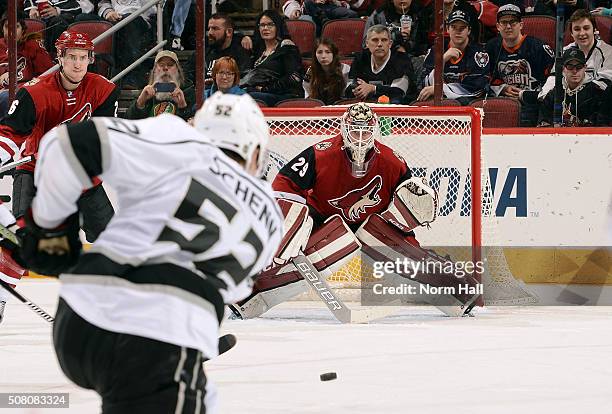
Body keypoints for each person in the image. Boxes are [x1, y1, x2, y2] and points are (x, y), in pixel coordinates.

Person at [13, 92, 282, 412]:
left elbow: (66, 145)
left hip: (78, 322)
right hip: (158, 336)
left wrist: (50, 232)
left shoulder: (176, 137)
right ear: (254, 152)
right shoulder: (270, 216)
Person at [232, 102, 480, 320]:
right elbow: (284, 183)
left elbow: (406, 209)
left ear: (374, 131)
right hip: (322, 219)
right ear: (344, 128)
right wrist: (291, 219)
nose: (360, 137)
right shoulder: (321, 153)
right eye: (355, 130)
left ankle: (457, 289)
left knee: (399, 249)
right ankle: (249, 294)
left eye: (365, 131)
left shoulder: (393, 162)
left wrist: (411, 220)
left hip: (370, 222)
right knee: (308, 247)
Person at [0, 31, 118, 323]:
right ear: (60, 58)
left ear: (90, 59)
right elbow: (9, 134)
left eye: (83, 58)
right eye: (72, 57)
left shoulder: (103, 89)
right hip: (36, 175)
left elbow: (105, 138)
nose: (78, 65)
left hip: (82, 178)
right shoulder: (35, 91)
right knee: (22, 243)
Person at [486, 3, 554, 126]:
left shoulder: (539, 48)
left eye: (513, 22)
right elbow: (484, 80)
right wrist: (502, 88)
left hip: (533, 105)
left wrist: (530, 95)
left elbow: (552, 81)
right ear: (497, 26)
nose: (508, 26)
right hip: (504, 106)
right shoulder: (491, 48)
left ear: (521, 25)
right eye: (504, 22)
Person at [418, 9, 491, 104]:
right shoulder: (436, 50)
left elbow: (478, 87)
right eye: (454, 27)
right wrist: (442, 60)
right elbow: (425, 83)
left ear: (469, 30)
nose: (458, 32)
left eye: (462, 28)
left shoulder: (479, 54)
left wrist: (441, 89)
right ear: (447, 29)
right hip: (438, 101)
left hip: (467, 104)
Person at [539, 9, 612, 99]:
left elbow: (603, 86)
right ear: (572, 34)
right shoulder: (564, 52)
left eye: (586, 28)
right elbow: (554, 78)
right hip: (565, 101)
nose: (582, 33)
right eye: (577, 29)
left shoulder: (608, 52)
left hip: (595, 103)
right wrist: (544, 96)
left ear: (594, 30)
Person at [241, 10, 304, 107]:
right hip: (260, 93)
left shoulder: (287, 47)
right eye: (262, 25)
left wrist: (265, 89)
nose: (265, 28)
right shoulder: (258, 50)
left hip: (286, 95)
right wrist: (244, 38)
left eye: (270, 24)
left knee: (247, 97)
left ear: (278, 27)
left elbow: (294, 77)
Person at [536, 47, 610, 126]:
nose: (574, 71)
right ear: (563, 69)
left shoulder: (596, 94)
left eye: (579, 67)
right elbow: (543, 123)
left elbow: (601, 126)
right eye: (570, 67)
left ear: (585, 67)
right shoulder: (553, 94)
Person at [0, 11, 54, 118]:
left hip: (23, 92)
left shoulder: (32, 46)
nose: (11, 31)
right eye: (7, 27)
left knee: (5, 97)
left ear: (23, 29)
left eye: (16, 27)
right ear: (2, 29)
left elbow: (48, 75)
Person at [346, 25, 415, 103]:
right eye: (375, 40)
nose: (379, 44)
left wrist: (373, 88)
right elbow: (349, 89)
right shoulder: (360, 58)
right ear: (367, 43)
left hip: (398, 109)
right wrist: (358, 89)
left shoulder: (402, 60)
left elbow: (399, 92)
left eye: (384, 40)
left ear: (390, 44)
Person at [98, 0, 154, 88]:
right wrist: (108, 12)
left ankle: (134, 75)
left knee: (129, 20)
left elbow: (153, 9)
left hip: (139, 19)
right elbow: (104, 2)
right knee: (84, 19)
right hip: (115, 19)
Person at [125, 50, 195, 121]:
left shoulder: (188, 92)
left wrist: (183, 106)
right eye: (161, 65)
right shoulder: (146, 92)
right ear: (154, 71)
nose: (165, 68)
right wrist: (140, 103)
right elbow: (129, 123)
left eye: (170, 65)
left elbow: (194, 126)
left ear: (178, 70)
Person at [363, 0, 430, 56]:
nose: (402, 0)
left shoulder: (421, 14)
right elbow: (366, 44)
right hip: (386, 58)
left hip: (415, 58)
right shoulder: (379, 15)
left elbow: (425, 43)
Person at [303, 38, 350, 104]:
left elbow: (347, 97)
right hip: (318, 108)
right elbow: (308, 96)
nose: (323, 56)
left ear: (334, 54)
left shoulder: (345, 69)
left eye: (328, 52)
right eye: (319, 52)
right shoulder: (311, 71)